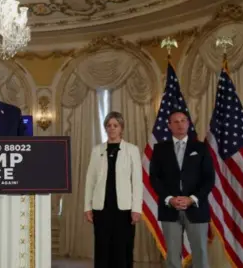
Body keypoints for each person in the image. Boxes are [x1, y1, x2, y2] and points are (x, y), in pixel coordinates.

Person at [149, 109, 215, 268]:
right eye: (176, 122)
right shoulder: (159, 149)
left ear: (188, 123)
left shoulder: (201, 148)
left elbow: (209, 178)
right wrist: (169, 199)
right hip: (169, 209)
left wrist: (191, 199)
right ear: (169, 125)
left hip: (196, 208)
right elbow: (154, 178)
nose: (180, 124)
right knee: (172, 255)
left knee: (200, 253)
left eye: (183, 120)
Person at [83, 111, 143, 268]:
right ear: (105, 128)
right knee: (102, 248)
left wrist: (137, 209)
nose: (112, 128)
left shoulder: (132, 150)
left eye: (115, 125)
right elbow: (90, 181)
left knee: (123, 248)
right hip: (101, 207)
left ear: (121, 128)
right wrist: (87, 207)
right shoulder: (97, 150)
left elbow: (137, 182)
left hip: (124, 209)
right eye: (108, 125)